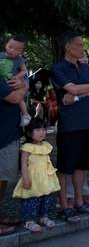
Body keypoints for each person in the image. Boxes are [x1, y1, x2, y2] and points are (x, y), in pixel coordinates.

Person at [51, 31, 89, 222]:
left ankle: (79, 201)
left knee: (82, 165)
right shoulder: (58, 68)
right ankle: (65, 205)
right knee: (66, 167)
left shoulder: (84, 68)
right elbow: (72, 89)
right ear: (68, 47)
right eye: (80, 45)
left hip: (86, 122)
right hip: (69, 125)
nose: (83, 49)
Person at [12, 118, 60, 232]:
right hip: (32, 179)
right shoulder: (27, 147)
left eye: (44, 129)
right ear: (29, 132)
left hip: (44, 178)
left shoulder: (46, 145)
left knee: (45, 198)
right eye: (37, 130)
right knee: (31, 199)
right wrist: (25, 178)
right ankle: (29, 221)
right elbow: (23, 164)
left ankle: (43, 217)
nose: (42, 132)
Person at [0, 77, 28, 235]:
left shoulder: (8, 73)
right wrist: (24, 87)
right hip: (2, 136)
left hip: (8, 134)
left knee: (3, 178)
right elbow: (16, 97)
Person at [0, 34, 31, 127]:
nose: (12, 50)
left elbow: (24, 71)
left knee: (20, 99)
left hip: (12, 82)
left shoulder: (19, 60)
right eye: (10, 47)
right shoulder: (0, 55)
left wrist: (17, 77)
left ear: (22, 51)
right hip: (3, 83)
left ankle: (25, 114)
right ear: (6, 45)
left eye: (17, 49)